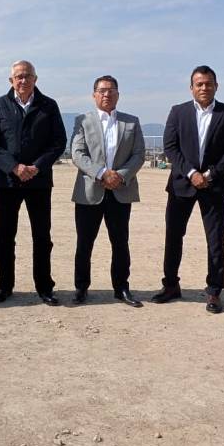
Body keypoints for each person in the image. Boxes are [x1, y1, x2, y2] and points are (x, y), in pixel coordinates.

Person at [151, 65, 224, 313]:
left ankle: (213, 292)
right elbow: (171, 147)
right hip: (182, 185)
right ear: (191, 87)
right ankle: (170, 285)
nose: (204, 88)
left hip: (214, 186)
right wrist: (191, 173)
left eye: (208, 83)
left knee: (215, 241)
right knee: (173, 237)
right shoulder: (178, 112)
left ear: (216, 86)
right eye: (199, 84)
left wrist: (210, 174)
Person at [0, 60, 67, 305]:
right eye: (18, 76)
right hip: (8, 183)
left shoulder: (49, 106)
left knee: (42, 236)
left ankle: (44, 287)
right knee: (5, 236)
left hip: (39, 183)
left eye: (27, 76)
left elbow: (58, 142)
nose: (23, 80)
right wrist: (14, 167)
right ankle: (4, 286)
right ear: (11, 81)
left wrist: (36, 167)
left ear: (35, 79)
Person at [70, 75, 146, 307]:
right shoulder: (83, 120)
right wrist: (102, 173)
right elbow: (77, 154)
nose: (107, 94)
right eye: (102, 90)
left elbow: (139, 155)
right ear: (94, 94)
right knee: (85, 243)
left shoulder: (131, 122)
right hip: (90, 192)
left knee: (120, 242)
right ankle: (81, 288)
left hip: (121, 191)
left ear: (118, 94)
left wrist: (120, 176)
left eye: (111, 90)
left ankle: (121, 288)